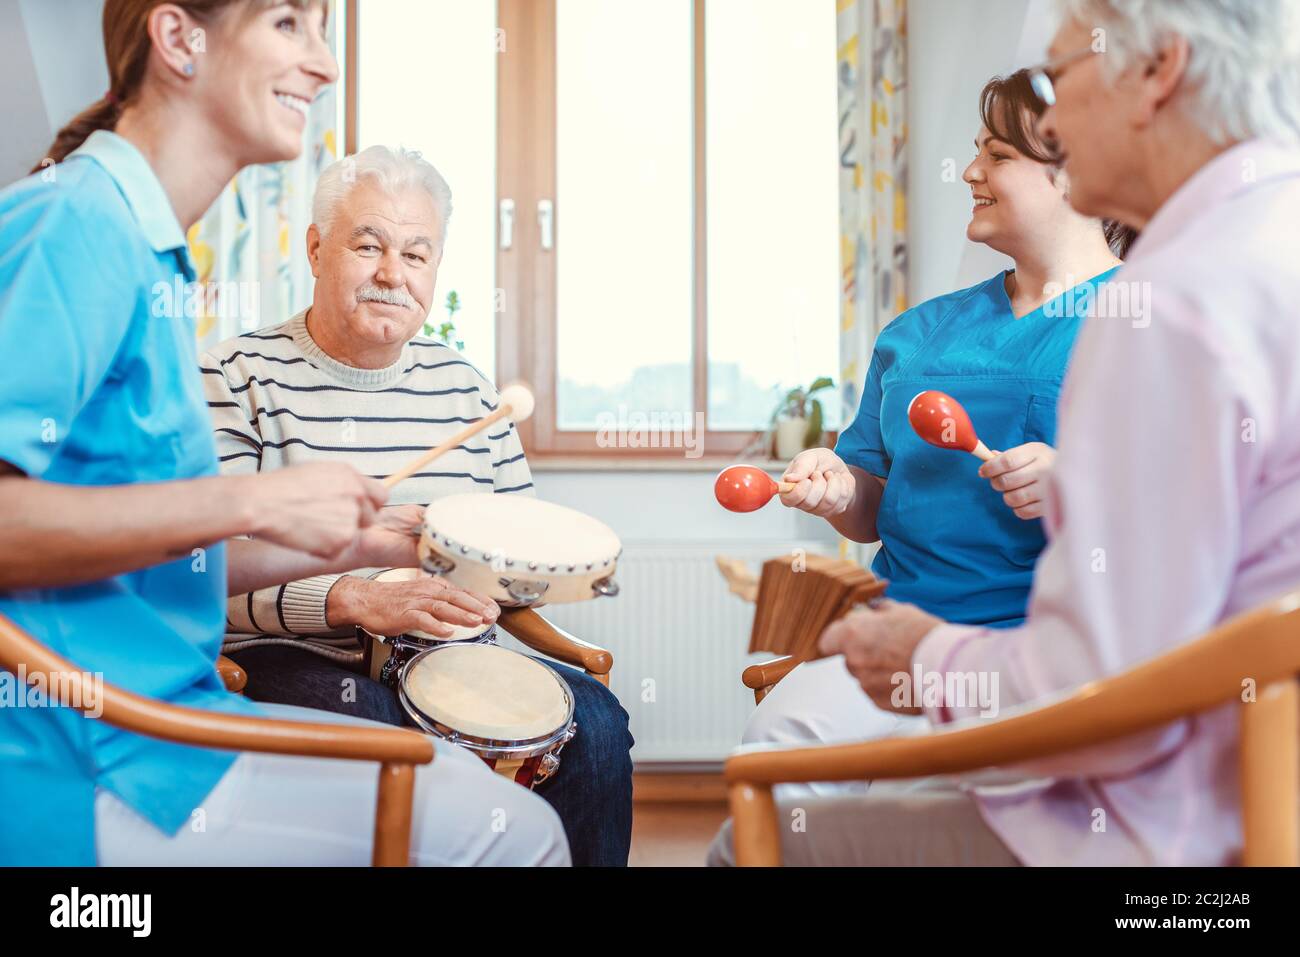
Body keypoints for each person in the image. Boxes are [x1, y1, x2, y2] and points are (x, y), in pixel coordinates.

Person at [712, 0, 1300, 866]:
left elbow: (1103, 700)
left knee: (750, 841)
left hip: (1162, 836)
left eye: (1060, 78)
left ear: (1159, 70)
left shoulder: (1166, 303)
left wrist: (928, 656)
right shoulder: (1260, 243)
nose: (1054, 119)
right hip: (1229, 788)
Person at [0, 0, 566, 866]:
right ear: (179, 37)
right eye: (288, 24)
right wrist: (248, 497)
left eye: (323, 30)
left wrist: (358, 541)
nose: (326, 65)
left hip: (172, 730)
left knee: (501, 809)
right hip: (94, 764)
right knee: (513, 834)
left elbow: (152, 554)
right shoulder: (80, 225)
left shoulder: (145, 246)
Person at [203, 145, 635, 866]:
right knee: (385, 730)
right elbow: (200, 570)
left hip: (452, 654)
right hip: (296, 654)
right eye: (367, 244)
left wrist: (515, 585)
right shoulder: (235, 376)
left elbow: (514, 557)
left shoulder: (466, 391)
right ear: (315, 248)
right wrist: (351, 599)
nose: (391, 273)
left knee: (596, 723)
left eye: (416, 253)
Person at [743, 68, 1130, 793]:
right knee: (774, 756)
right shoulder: (916, 334)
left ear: (1074, 171)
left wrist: (1078, 486)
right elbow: (873, 502)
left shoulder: (1147, 320)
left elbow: (1186, 515)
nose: (972, 172)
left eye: (998, 156)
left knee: (931, 807)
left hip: (1039, 657)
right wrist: (839, 488)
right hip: (893, 634)